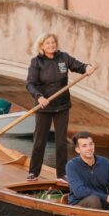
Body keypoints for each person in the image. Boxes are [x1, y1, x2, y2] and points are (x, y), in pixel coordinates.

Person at [25, 33, 94, 181]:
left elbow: (78, 66)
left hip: (62, 105)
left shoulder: (63, 58)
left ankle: (62, 174)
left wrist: (87, 67)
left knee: (61, 142)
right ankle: (33, 172)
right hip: (44, 106)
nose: (51, 45)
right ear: (42, 46)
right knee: (39, 140)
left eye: (53, 42)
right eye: (47, 43)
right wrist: (39, 97)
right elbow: (30, 83)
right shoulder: (36, 62)